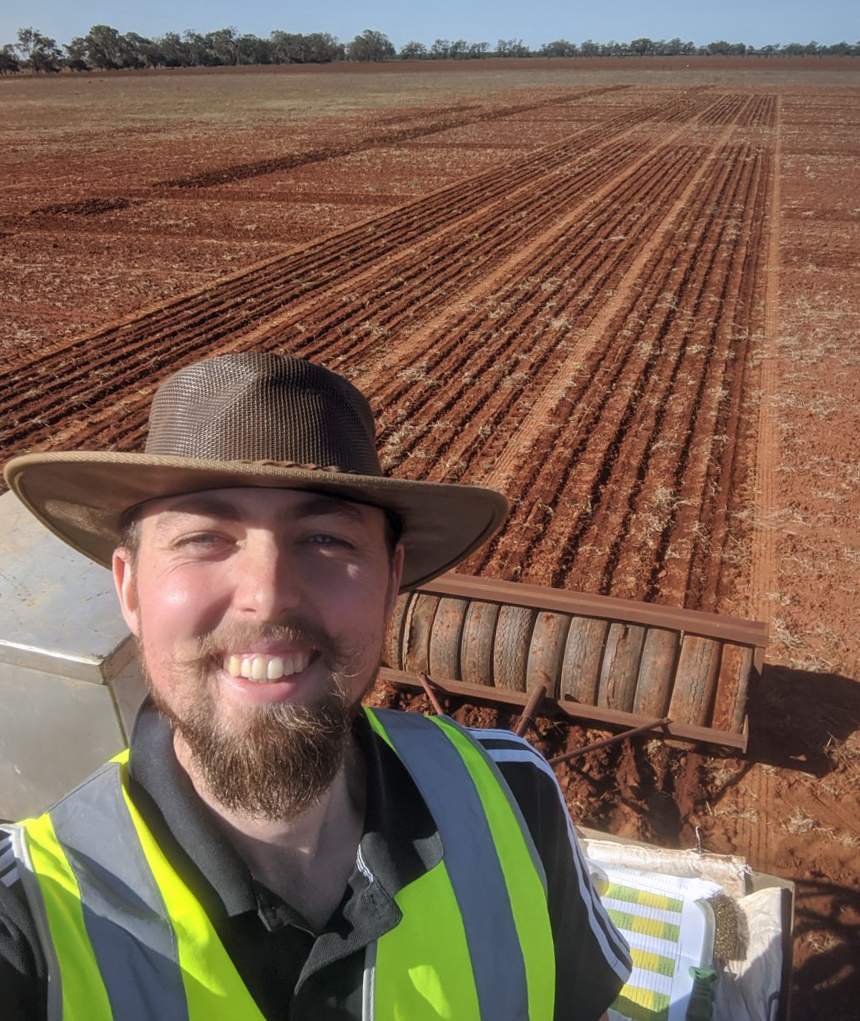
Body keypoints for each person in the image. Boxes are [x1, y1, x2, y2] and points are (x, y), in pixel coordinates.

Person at [0, 352, 631, 1020]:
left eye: (326, 537)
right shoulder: (29, 914)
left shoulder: (515, 795)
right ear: (128, 587)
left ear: (391, 582)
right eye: (206, 537)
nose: (268, 596)